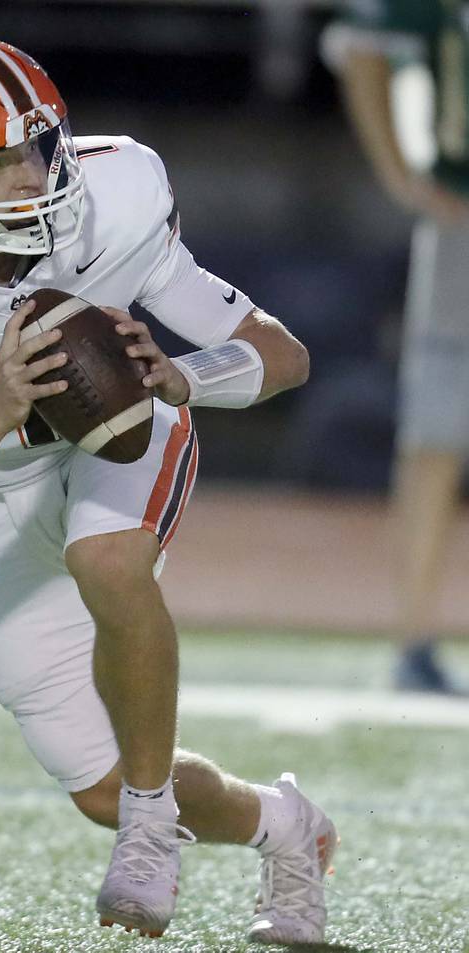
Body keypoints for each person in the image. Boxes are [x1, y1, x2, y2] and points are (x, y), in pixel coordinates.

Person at [0, 32, 337, 942]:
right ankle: (282, 822)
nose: (35, 179)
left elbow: (284, 355)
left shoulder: (119, 191)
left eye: (39, 148)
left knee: (108, 555)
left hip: (122, 428)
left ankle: (149, 822)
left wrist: (183, 374)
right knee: (95, 784)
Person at [324, 2, 469, 694]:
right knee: (436, 433)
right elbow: (363, 46)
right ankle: (413, 638)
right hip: (463, 216)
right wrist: (401, 176)